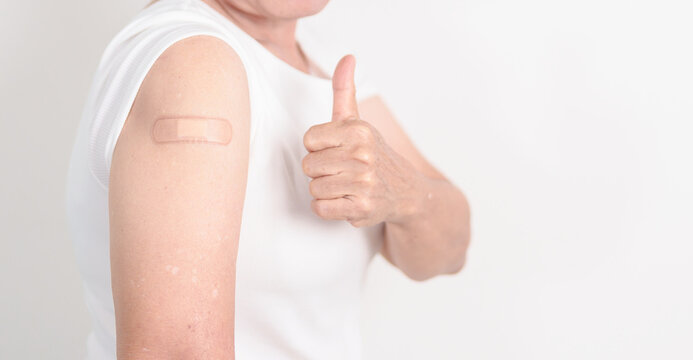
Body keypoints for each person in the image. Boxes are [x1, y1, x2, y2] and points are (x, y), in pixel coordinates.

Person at [65, 0, 471, 358]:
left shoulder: (319, 61)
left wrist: (404, 194)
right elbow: (177, 353)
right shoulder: (194, 66)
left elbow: (450, 250)